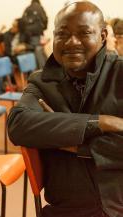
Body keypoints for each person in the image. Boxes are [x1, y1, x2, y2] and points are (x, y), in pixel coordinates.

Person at [7, 1, 123, 217]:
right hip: (68, 207)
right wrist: (100, 122)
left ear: (103, 36)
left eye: (83, 33)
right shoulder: (42, 81)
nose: (72, 42)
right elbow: (18, 124)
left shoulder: (119, 73)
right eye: (63, 34)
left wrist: (77, 147)